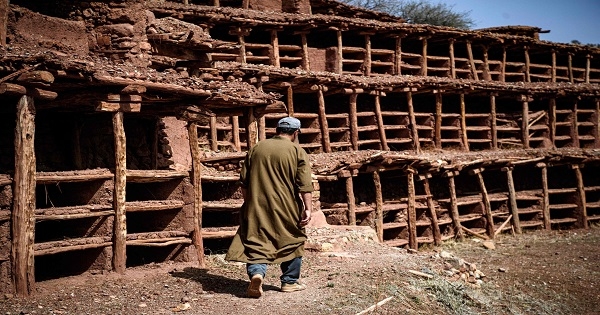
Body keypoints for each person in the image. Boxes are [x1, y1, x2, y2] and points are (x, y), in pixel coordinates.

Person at [225, 116, 313, 298]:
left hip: (257, 204)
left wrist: (249, 203)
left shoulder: (257, 148)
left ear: (277, 130)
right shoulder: (297, 151)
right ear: (296, 133)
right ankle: (289, 282)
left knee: (257, 239)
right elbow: (304, 185)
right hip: (286, 205)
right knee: (293, 239)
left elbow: (244, 182)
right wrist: (308, 208)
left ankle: (257, 273)